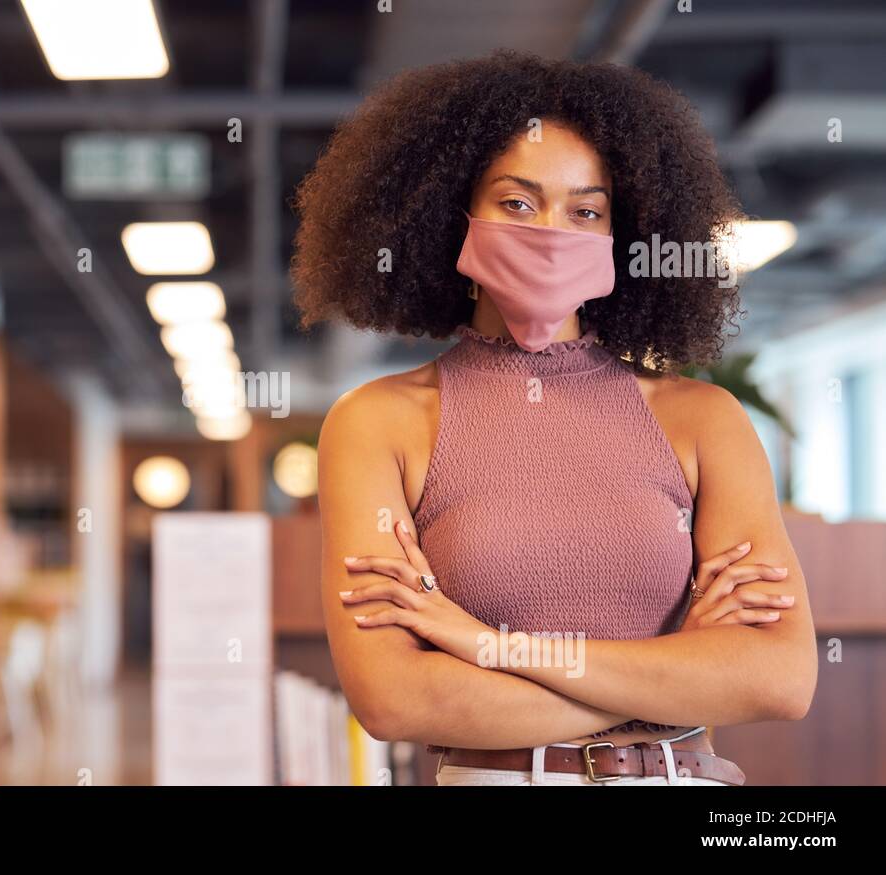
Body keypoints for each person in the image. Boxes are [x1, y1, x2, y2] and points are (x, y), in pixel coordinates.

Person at [293, 51, 818, 786]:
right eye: (516, 202)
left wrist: (489, 647)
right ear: (452, 213)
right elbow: (395, 699)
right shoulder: (378, 422)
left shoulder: (704, 419)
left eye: (586, 210)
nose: (551, 231)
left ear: (621, 231)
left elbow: (779, 680)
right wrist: (670, 682)